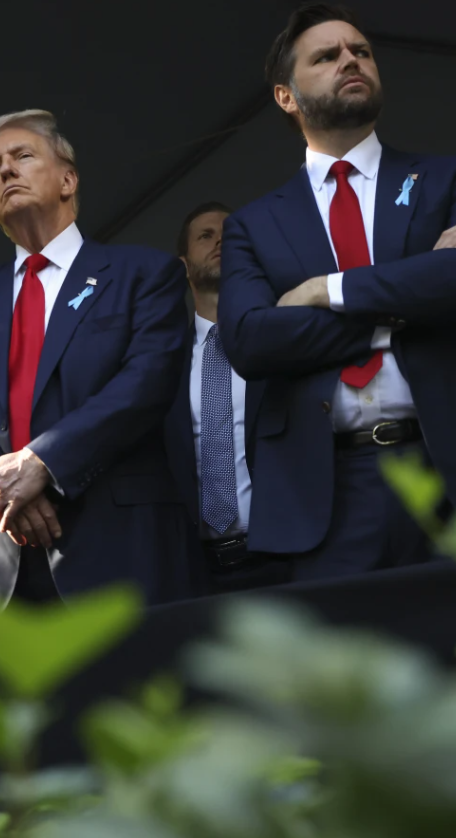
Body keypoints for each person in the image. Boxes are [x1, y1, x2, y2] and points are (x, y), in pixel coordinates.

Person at [218, 4, 456, 578]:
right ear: (286, 96)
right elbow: (249, 341)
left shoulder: (451, 177)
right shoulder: (252, 225)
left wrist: (324, 289)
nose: (350, 61)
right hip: (328, 492)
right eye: (327, 56)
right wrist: (418, 288)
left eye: (360, 51)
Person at [0, 109, 193, 621]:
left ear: (68, 179)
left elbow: (147, 381)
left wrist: (42, 464)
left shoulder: (143, 274)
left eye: (22, 156)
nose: (5, 171)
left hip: (116, 556)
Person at [163, 203, 286, 594]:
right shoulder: (161, 361)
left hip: (284, 559)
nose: (220, 241)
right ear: (184, 266)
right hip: (196, 571)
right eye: (206, 235)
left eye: (230, 234)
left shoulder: (282, 340)